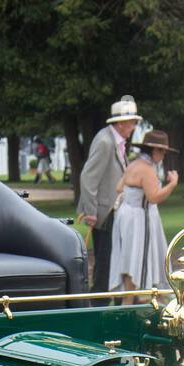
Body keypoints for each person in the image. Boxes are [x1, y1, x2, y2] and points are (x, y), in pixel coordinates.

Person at [77, 94, 141, 295]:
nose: (134, 126)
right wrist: (91, 211)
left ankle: (105, 300)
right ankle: (99, 303)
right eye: (131, 122)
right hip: (105, 213)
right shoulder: (105, 141)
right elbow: (88, 178)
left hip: (113, 211)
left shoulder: (114, 140)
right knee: (104, 262)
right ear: (121, 123)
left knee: (112, 260)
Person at [109, 129, 178, 294]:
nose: (163, 156)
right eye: (162, 151)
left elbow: (120, 187)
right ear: (154, 150)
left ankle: (132, 299)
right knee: (138, 258)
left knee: (128, 257)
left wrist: (133, 196)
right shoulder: (147, 170)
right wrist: (172, 184)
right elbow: (154, 197)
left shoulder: (133, 165)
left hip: (126, 215)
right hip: (140, 217)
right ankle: (135, 299)